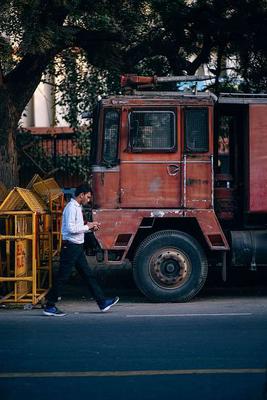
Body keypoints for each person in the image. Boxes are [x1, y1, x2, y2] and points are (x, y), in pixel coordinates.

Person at [43, 183, 119, 316]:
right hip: (71, 247)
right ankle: (49, 305)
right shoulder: (71, 208)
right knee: (63, 276)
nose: (88, 200)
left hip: (76, 247)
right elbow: (71, 229)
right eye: (88, 197)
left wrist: (89, 226)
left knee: (88, 275)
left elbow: (78, 226)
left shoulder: (77, 207)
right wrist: (87, 227)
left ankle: (102, 303)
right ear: (81, 195)